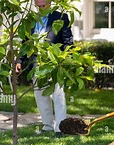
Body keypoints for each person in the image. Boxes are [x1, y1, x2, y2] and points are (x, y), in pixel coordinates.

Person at [15, 0, 73, 137]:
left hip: (55, 62)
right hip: (36, 62)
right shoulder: (31, 20)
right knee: (40, 94)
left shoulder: (60, 17)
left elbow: (68, 41)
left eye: (43, 6)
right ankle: (47, 125)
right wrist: (20, 60)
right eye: (38, 6)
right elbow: (26, 42)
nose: (41, 8)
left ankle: (60, 128)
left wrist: (65, 59)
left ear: (50, 3)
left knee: (58, 95)